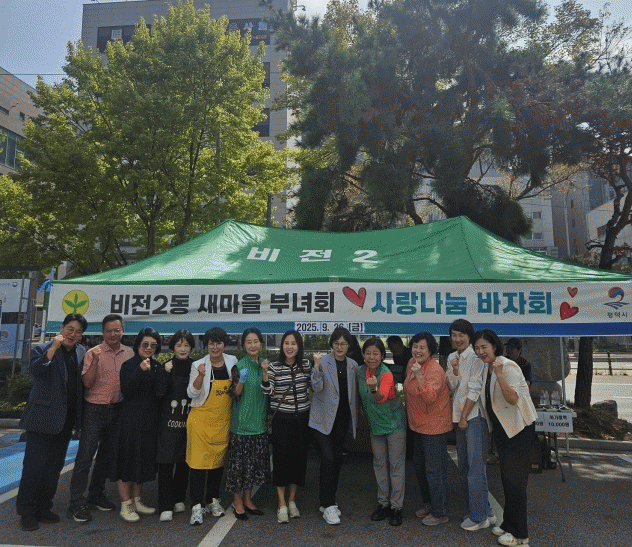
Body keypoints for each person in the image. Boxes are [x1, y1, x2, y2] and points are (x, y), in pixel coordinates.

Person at [16, 314, 87, 532]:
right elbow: (36, 371)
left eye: (78, 332)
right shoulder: (43, 348)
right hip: (42, 418)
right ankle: (27, 512)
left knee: (54, 467)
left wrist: (79, 421)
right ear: (62, 328)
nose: (72, 334)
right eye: (70, 329)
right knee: (34, 467)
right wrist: (53, 349)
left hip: (66, 420)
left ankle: (44, 507)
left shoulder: (81, 352)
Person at [473, 329, 538, 547]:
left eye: (484, 347)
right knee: (507, 479)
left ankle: (520, 535)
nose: (480, 351)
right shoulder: (487, 366)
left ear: (494, 346)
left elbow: (512, 398)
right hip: (504, 430)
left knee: (516, 483)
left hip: (518, 429)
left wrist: (500, 374)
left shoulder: (507, 366)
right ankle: (509, 523)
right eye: (477, 348)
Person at [67, 314, 133, 523]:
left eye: (117, 330)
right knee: (85, 457)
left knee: (106, 457)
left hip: (118, 410)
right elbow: (87, 383)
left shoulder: (129, 353)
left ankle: (96, 494)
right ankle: (76, 501)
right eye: (109, 330)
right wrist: (95, 361)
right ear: (103, 332)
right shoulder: (92, 353)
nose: (113, 334)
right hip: (94, 410)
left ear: (123, 331)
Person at [445, 319, 495, 531]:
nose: (457, 339)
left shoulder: (477, 357)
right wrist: (455, 370)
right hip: (461, 418)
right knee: (465, 467)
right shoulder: (451, 357)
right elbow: (451, 386)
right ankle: (486, 510)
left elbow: (474, 389)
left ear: (469, 336)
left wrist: (464, 417)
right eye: (454, 335)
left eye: (461, 335)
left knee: (475, 469)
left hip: (474, 417)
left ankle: (478, 517)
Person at [186, 327, 238, 526]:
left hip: (222, 420)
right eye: (211, 343)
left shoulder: (232, 361)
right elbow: (191, 393)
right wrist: (200, 376)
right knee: (198, 465)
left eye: (219, 343)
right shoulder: (198, 364)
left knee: (217, 462)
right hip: (200, 420)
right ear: (206, 345)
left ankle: (212, 499)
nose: (215, 347)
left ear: (224, 344)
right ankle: (196, 505)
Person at [109, 327, 162, 522]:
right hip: (129, 421)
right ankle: (126, 504)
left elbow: (159, 393)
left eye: (153, 345)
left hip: (149, 422)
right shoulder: (129, 365)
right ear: (138, 344)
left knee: (142, 460)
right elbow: (127, 390)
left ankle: (137, 500)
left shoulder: (157, 366)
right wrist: (140, 371)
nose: (149, 348)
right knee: (126, 461)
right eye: (145, 344)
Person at [309, 326, 359, 525]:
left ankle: (328, 501)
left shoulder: (353, 365)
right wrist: (316, 367)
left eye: (343, 344)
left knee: (336, 460)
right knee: (328, 458)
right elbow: (316, 387)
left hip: (342, 420)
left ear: (349, 346)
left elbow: (354, 393)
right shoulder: (323, 361)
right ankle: (328, 504)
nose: (340, 347)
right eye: (336, 343)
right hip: (322, 419)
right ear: (331, 344)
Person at [261, 330, 312, 524]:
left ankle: (292, 500)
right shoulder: (274, 367)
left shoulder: (305, 365)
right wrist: (265, 373)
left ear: (299, 346)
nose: (290, 347)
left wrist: (317, 367)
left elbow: (314, 385)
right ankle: (281, 502)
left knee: (298, 460)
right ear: (282, 346)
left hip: (302, 419)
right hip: (282, 419)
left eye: (294, 343)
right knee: (281, 459)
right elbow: (268, 391)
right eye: (286, 343)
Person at [403, 331, 452, 526]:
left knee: (435, 470)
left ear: (431, 350)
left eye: (422, 347)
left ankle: (441, 512)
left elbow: (430, 397)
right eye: (415, 346)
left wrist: (418, 375)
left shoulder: (434, 369)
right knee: (420, 467)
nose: (417, 350)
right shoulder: (411, 363)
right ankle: (429, 504)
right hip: (417, 425)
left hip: (434, 427)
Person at [357, 337, 406, 527]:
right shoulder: (360, 372)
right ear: (363, 355)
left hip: (394, 425)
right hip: (376, 426)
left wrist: (373, 389)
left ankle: (396, 507)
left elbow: (381, 397)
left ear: (383, 356)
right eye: (368, 353)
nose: (371, 357)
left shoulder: (386, 374)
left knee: (395, 466)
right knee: (379, 464)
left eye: (375, 353)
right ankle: (383, 504)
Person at [225, 328, 271, 520]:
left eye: (255, 341)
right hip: (242, 426)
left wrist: (266, 371)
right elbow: (234, 393)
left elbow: (269, 391)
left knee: (252, 466)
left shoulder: (265, 364)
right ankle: (237, 502)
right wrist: (241, 380)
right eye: (249, 342)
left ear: (261, 343)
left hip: (259, 424)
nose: (253, 345)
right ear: (243, 345)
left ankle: (247, 499)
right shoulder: (239, 365)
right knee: (239, 468)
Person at [155, 330, 195, 522]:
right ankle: (165, 505)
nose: (182, 349)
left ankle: (179, 498)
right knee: (165, 463)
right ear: (173, 347)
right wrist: (165, 373)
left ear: (191, 347)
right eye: (179, 345)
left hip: (189, 421)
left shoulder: (196, 367)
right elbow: (159, 393)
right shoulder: (166, 366)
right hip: (168, 423)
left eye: (186, 345)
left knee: (184, 462)